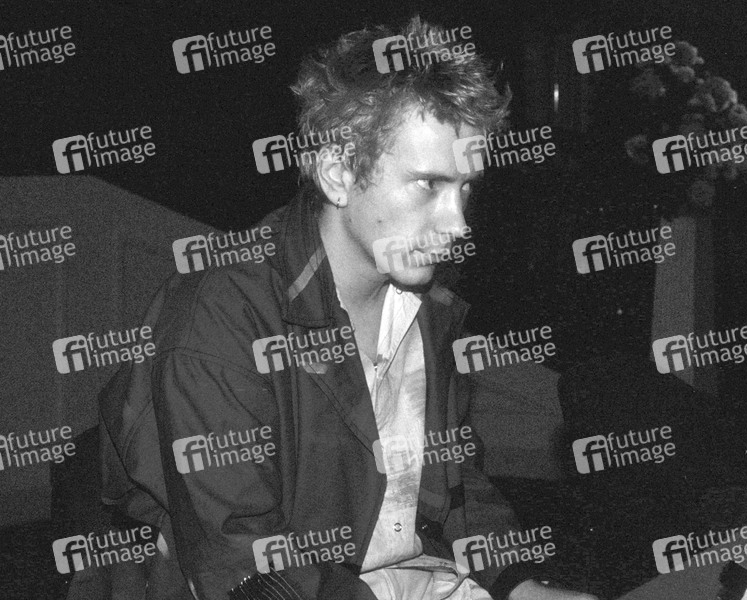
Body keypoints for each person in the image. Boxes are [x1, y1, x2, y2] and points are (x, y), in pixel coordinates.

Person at [96, 15, 599, 600]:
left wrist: (518, 586)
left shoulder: (429, 309)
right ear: (337, 173)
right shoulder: (219, 318)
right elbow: (245, 566)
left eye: (466, 188)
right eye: (429, 185)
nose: (459, 223)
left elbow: (455, 483)